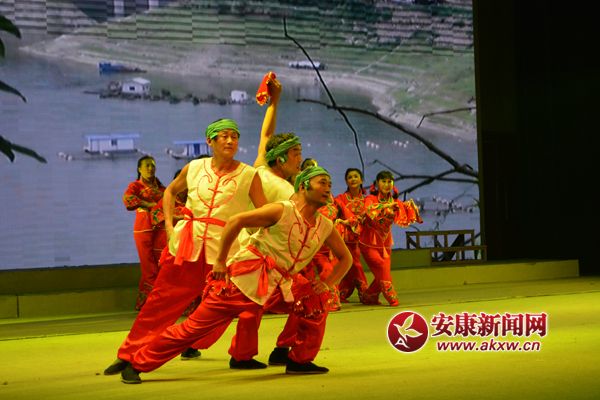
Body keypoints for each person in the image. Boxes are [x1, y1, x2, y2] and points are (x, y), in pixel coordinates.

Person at [120, 166, 352, 383]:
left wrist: (328, 283)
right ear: (303, 186)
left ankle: (299, 360)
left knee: (314, 299)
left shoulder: (324, 225)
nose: (328, 188)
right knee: (192, 329)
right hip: (245, 279)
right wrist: (220, 261)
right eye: (322, 182)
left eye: (330, 184)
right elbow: (235, 221)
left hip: (281, 283)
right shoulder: (282, 210)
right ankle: (138, 363)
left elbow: (346, 258)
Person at [103, 118, 267, 375]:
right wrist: (169, 227)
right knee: (160, 303)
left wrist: (253, 242)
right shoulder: (195, 167)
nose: (230, 141)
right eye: (224, 136)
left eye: (234, 136)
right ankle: (128, 354)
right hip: (188, 245)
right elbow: (169, 193)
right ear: (210, 141)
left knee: (226, 308)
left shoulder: (248, 174)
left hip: (225, 253)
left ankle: (202, 346)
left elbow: (264, 212)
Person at [359, 170, 422, 306]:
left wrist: (411, 208)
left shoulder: (395, 202)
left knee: (383, 272)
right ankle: (391, 297)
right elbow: (369, 210)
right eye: (383, 181)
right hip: (368, 242)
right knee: (382, 267)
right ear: (377, 183)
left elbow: (405, 217)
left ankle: (369, 296)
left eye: (389, 182)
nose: (387, 184)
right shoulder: (370, 199)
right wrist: (387, 206)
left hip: (385, 243)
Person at [122, 155, 167, 311]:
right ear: (139, 169)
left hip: (160, 231)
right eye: (147, 165)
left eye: (152, 165)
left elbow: (173, 203)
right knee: (150, 269)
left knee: (161, 265)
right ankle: (154, 305)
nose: (150, 168)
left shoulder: (161, 189)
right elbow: (128, 199)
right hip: (144, 230)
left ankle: (148, 304)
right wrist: (147, 204)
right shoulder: (135, 186)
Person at [334, 168, 369, 303]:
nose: (353, 179)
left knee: (351, 266)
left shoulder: (367, 200)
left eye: (356, 176)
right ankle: (364, 292)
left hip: (363, 238)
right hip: (346, 238)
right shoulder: (340, 199)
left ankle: (343, 292)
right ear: (346, 181)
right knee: (355, 264)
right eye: (350, 177)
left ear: (361, 180)